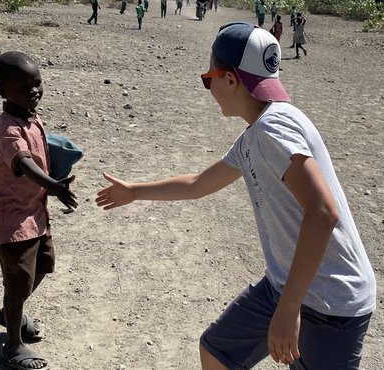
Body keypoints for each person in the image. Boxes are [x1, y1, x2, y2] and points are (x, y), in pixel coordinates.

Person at [95, 22, 376, 370]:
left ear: (229, 80)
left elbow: (322, 212)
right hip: (287, 285)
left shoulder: (272, 129)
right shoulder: (256, 135)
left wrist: (288, 310)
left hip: (330, 302)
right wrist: (135, 191)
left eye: (207, 77)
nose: (207, 86)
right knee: (217, 352)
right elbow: (198, 184)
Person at [0, 51, 78, 370]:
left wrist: (57, 166)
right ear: (1, 91)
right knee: (18, 280)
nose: (34, 91)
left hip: (32, 211)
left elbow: (39, 152)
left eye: (37, 84)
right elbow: (23, 162)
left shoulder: (31, 117)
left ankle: (11, 313)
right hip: (10, 216)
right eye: (24, 87)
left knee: (44, 266)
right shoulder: (7, 128)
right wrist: (53, 185)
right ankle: (12, 345)